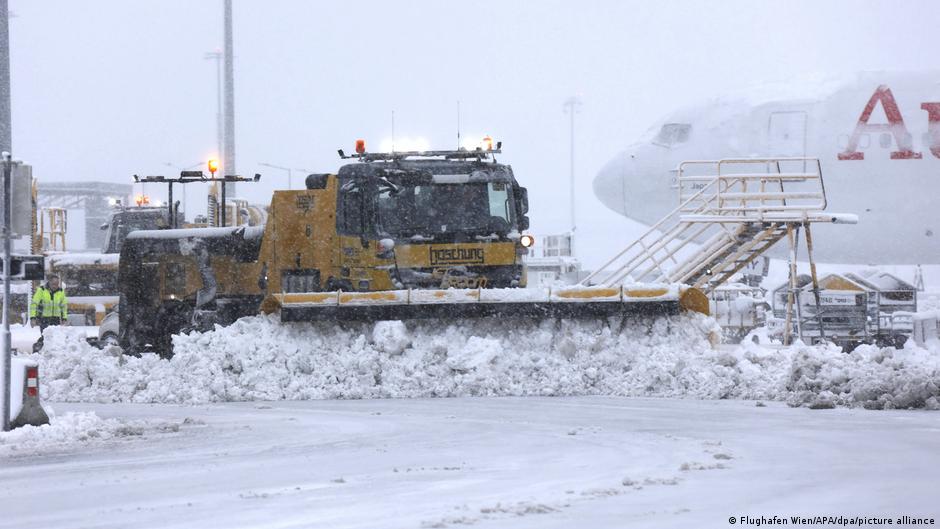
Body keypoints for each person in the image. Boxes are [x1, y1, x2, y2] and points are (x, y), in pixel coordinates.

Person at [30, 273, 68, 352]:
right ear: (49, 282)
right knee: (45, 337)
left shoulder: (60, 291)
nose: (55, 286)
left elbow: (64, 306)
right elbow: (34, 304)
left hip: (56, 319)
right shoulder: (42, 290)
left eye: (57, 284)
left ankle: (52, 352)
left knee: (54, 337)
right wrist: (33, 318)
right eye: (53, 284)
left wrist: (64, 318)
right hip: (44, 318)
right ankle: (37, 349)